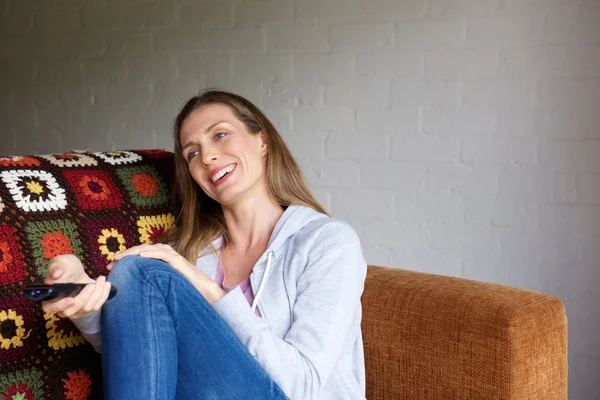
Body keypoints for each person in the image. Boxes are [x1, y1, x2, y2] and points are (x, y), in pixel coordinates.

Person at [41, 90, 368, 399]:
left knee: (145, 271)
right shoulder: (193, 250)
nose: (208, 156)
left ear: (263, 141)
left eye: (220, 134)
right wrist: (82, 294)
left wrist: (205, 288)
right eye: (192, 153)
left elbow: (302, 386)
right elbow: (139, 357)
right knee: (133, 271)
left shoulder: (327, 242)